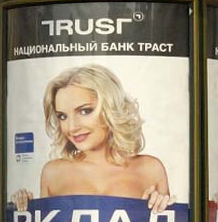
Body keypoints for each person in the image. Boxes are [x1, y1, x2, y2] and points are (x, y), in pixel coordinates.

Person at [12, 64, 173, 212]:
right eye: (62, 116)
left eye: (85, 111)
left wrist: (159, 208)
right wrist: (23, 208)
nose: (72, 127)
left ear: (110, 108)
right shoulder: (53, 173)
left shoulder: (150, 169)